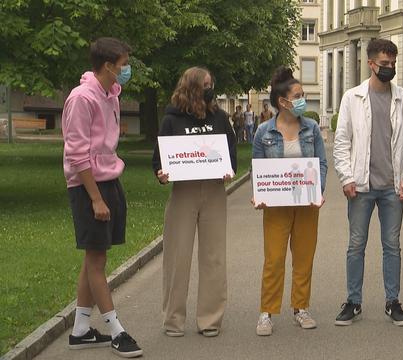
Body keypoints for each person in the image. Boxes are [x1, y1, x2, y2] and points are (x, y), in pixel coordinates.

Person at [62, 37, 143, 358]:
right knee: (97, 261)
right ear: (108, 66)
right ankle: (116, 331)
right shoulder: (82, 99)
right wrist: (95, 198)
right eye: (123, 65)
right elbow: (77, 155)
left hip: (109, 180)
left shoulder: (111, 94)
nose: (127, 70)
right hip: (87, 186)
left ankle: (80, 330)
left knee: (94, 255)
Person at [333, 38, 403, 327]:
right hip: (361, 186)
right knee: (356, 245)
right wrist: (346, 177)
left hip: (393, 187)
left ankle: (393, 302)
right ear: (370, 64)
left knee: (392, 245)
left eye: (392, 64)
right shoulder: (352, 97)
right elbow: (342, 141)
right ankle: (353, 302)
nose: (389, 68)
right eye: (384, 64)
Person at [152, 67, 237, 338]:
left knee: (214, 257)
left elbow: (231, 153)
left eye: (212, 83)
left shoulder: (220, 118)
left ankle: (210, 319)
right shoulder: (171, 119)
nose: (210, 88)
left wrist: (229, 170)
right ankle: (173, 319)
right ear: (191, 87)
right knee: (177, 256)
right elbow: (159, 158)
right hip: (183, 192)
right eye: (205, 85)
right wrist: (161, 174)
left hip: (213, 190)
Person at [252, 66, 327, 336]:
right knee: (274, 259)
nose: (302, 99)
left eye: (303, 94)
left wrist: (319, 191)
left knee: (304, 258)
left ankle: (301, 308)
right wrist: (258, 194)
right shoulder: (263, 132)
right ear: (283, 101)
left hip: (307, 204)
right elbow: (258, 168)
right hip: (276, 206)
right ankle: (267, 312)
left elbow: (321, 163)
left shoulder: (312, 128)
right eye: (298, 95)